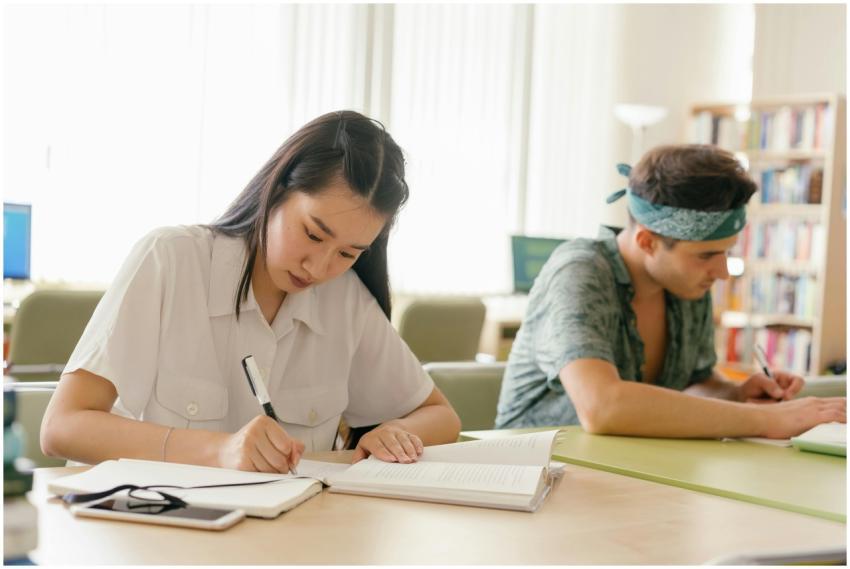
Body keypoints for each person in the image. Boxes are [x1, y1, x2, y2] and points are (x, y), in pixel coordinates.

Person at [41, 111, 461, 473]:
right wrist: (220, 451)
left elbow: (441, 416)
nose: (319, 268)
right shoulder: (171, 258)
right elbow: (62, 427)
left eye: (348, 253)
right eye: (313, 234)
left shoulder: (344, 298)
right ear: (276, 190)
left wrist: (397, 433)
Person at [495, 144, 845, 439]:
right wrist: (771, 421)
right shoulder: (579, 271)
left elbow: (694, 384)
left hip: (633, 472)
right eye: (707, 255)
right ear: (647, 241)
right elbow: (602, 408)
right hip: (532, 476)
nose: (722, 272)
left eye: (726, 252)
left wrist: (736, 394)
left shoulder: (685, 283)